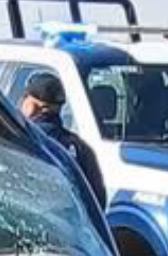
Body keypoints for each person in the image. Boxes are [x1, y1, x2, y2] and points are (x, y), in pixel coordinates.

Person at [18, 68, 107, 205]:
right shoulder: (80, 148)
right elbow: (98, 202)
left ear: (32, 106)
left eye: (24, 99)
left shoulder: (18, 141)